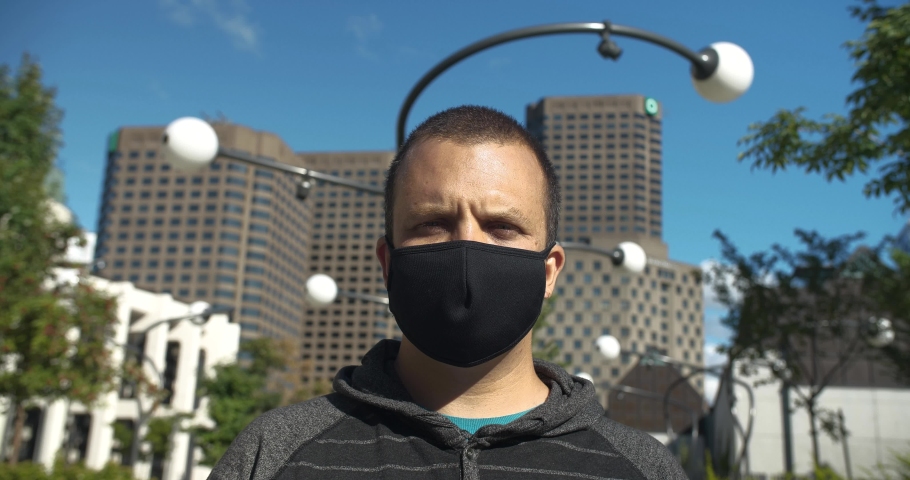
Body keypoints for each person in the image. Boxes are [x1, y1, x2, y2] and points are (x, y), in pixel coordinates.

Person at [208, 106, 687, 480]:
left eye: (502, 226)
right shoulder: (272, 454)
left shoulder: (644, 468)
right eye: (432, 224)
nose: (466, 250)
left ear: (549, 271)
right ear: (387, 263)